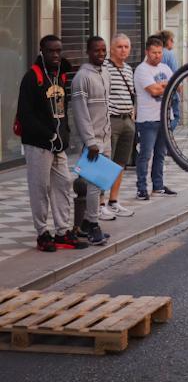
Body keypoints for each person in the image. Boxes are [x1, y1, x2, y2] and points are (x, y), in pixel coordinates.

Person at [18, 35, 89, 252]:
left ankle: (62, 232)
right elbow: (25, 114)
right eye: (51, 51)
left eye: (59, 51)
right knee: (40, 188)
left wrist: (64, 135)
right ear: (42, 51)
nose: (56, 55)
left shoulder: (61, 75)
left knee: (63, 185)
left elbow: (62, 108)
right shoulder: (32, 77)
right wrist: (49, 135)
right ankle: (42, 234)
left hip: (58, 145)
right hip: (38, 143)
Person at [69, 36, 112, 245]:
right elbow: (80, 112)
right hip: (92, 141)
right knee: (94, 185)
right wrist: (90, 141)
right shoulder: (81, 77)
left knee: (102, 184)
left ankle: (86, 223)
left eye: (103, 50)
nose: (101, 54)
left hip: (106, 138)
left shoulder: (105, 72)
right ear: (88, 51)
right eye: (97, 50)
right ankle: (94, 225)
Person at [133, 36, 177, 201]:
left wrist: (163, 86)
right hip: (147, 119)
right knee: (145, 155)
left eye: (159, 52)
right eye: (154, 52)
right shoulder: (141, 69)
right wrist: (167, 85)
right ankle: (141, 188)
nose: (157, 56)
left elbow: (178, 88)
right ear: (147, 52)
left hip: (165, 117)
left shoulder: (165, 67)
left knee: (160, 154)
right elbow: (154, 91)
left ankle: (158, 186)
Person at [102, 33, 137, 218]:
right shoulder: (104, 68)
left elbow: (130, 93)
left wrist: (132, 113)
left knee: (120, 163)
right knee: (104, 163)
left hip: (127, 120)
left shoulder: (129, 69)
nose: (123, 50)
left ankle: (114, 201)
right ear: (111, 49)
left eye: (126, 47)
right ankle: (100, 203)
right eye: (119, 47)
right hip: (111, 120)